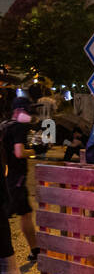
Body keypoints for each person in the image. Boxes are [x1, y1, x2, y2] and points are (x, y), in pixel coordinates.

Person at [2, 97, 38, 261]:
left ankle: (35, 250)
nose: (29, 114)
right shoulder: (19, 128)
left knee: (22, 214)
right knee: (18, 215)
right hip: (16, 179)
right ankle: (31, 251)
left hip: (8, 176)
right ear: (18, 111)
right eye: (27, 111)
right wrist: (33, 152)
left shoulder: (4, 125)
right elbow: (19, 152)